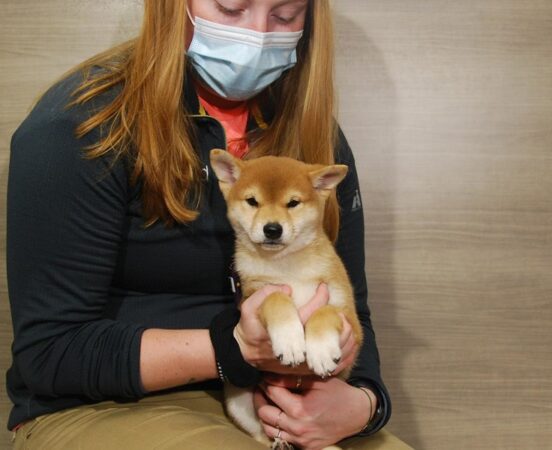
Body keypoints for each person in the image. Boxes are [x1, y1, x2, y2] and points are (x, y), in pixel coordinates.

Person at [6, 1, 412, 449]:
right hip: (104, 404)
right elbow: (49, 354)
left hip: (276, 393)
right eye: (231, 7)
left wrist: (363, 404)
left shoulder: (312, 138)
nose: (258, 35)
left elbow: (354, 309)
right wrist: (232, 349)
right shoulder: (81, 125)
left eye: (285, 15)